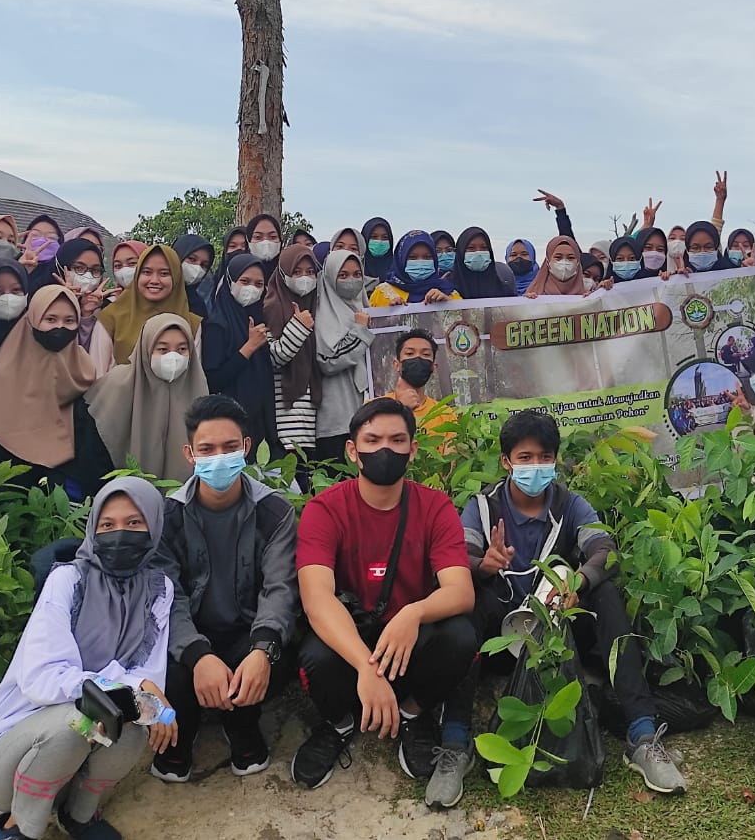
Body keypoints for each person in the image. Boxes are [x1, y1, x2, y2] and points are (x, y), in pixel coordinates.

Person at [442, 409, 686, 805]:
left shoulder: (571, 505)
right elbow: (460, 557)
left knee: (605, 594)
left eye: (544, 457)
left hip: (557, 636)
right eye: (525, 458)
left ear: (555, 460)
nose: (535, 467)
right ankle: (455, 742)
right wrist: (482, 564)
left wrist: (580, 579)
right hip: (500, 642)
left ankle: (642, 733)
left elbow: (605, 551)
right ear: (506, 462)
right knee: (466, 599)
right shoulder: (483, 508)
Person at [0, 477, 174, 840]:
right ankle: (18, 827)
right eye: (107, 525)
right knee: (82, 717)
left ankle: (78, 814)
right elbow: (43, 678)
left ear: (153, 527)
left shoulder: (159, 589)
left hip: (69, 766)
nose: (120, 534)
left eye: (134, 523)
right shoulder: (67, 581)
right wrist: (125, 686)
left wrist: (146, 698)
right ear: (93, 529)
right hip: (7, 765)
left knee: (139, 720)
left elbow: (148, 675)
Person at [290, 398, 477, 791]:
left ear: (413, 449)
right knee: (314, 654)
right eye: (372, 440)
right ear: (352, 451)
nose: (385, 450)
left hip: (408, 640)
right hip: (352, 635)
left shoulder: (435, 507)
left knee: (460, 636)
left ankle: (413, 714)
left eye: (397, 440)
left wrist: (412, 613)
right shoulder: (324, 510)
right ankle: (339, 724)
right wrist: (364, 667)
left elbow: (461, 591)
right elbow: (317, 599)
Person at [150, 396, 299, 783]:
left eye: (230, 447)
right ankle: (182, 729)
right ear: (189, 454)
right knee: (171, 663)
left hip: (245, 630)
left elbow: (279, 588)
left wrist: (262, 651)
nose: (219, 458)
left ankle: (242, 725)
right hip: (190, 632)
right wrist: (198, 655)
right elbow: (168, 596)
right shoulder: (169, 516)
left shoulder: (275, 512)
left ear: (246, 448)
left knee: (271, 652)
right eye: (207, 449)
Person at [0, 286, 103, 496]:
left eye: (69, 321)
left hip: (65, 496)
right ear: (32, 320)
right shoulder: (5, 373)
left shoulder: (84, 370)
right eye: (50, 319)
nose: (60, 327)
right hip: (9, 489)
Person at [87, 314, 209, 482]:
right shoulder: (116, 386)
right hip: (120, 494)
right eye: (163, 349)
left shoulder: (197, 388)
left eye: (182, 349)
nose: (173, 358)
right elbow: (94, 445)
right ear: (146, 349)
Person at [199, 254, 278, 456]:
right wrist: (249, 347)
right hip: (232, 420)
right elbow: (214, 379)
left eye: (258, 284)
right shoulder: (217, 324)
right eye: (244, 281)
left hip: (262, 418)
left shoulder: (259, 318)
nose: (251, 288)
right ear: (229, 281)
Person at [90, 244, 201, 375]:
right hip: (121, 394)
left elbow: (193, 375)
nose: (154, 280)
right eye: (147, 272)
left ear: (176, 277)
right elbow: (98, 376)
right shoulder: (110, 319)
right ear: (137, 275)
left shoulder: (192, 323)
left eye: (164, 273)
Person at [313, 250, 375, 465]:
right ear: (329, 277)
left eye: (357, 274)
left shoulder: (365, 309)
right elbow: (327, 361)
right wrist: (359, 331)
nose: (352, 281)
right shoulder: (321, 313)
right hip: (336, 420)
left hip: (368, 417)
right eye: (343, 275)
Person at [264, 244, 324, 458]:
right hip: (286, 418)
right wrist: (298, 327)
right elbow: (274, 358)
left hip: (312, 420)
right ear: (283, 274)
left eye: (310, 272)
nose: (304, 278)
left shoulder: (318, 306)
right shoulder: (271, 308)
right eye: (296, 272)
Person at [387, 330, 458, 437]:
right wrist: (400, 410)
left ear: (434, 367)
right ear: (397, 365)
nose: (418, 358)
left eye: (425, 354)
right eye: (410, 353)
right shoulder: (373, 407)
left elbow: (452, 452)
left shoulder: (445, 414)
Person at [370, 232, 458, 307]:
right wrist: (391, 314)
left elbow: (465, 323)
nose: (420, 262)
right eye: (412, 257)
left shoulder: (449, 293)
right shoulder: (382, 293)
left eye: (427, 257)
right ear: (401, 260)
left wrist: (448, 306)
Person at [51, 238, 108, 350]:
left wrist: (86, 314)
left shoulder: (102, 307)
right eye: (79, 268)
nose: (88, 275)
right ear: (61, 267)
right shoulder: (40, 301)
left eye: (95, 270)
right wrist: (65, 302)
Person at [523, 235, 594, 297]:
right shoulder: (535, 293)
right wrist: (528, 302)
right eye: (558, 257)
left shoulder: (586, 296)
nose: (564, 262)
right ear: (548, 261)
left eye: (570, 258)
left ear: (578, 262)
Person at [171, 234, 216, 319]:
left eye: (204, 265)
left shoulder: (199, 306)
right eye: (192, 259)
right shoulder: (155, 291)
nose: (197, 267)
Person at [19, 215, 66, 292]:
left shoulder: (63, 274)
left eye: (51, 237)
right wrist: (20, 270)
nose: (42, 241)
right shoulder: (10, 264)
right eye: (34, 235)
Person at [246, 215, 285, 281]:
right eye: (258, 237)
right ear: (248, 241)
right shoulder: (238, 275)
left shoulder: (290, 274)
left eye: (273, 237)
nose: (266, 242)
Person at [361, 217, 395, 283]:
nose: (380, 241)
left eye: (385, 237)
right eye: (374, 237)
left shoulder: (399, 272)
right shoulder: (354, 269)